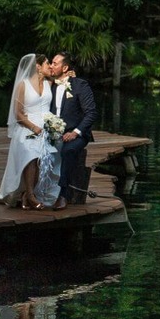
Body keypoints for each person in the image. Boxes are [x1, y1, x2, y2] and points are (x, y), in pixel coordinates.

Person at [0, 54, 61, 209]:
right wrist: (33, 127)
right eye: (47, 64)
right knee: (32, 154)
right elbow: (18, 114)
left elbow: (64, 82)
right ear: (37, 66)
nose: (50, 66)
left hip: (46, 127)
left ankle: (29, 194)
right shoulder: (23, 85)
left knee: (45, 156)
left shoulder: (50, 83)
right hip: (27, 126)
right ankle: (30, 195)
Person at [48, 52, 97, 210]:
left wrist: (75, 132)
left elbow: (91, 113)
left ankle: (63, 194)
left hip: (75, 133)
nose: (51, 65)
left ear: (65, 67)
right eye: (50, 63)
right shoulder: (49, 84)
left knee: (68, 150)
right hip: (52, 131)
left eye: (55, 63)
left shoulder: (79, 85)